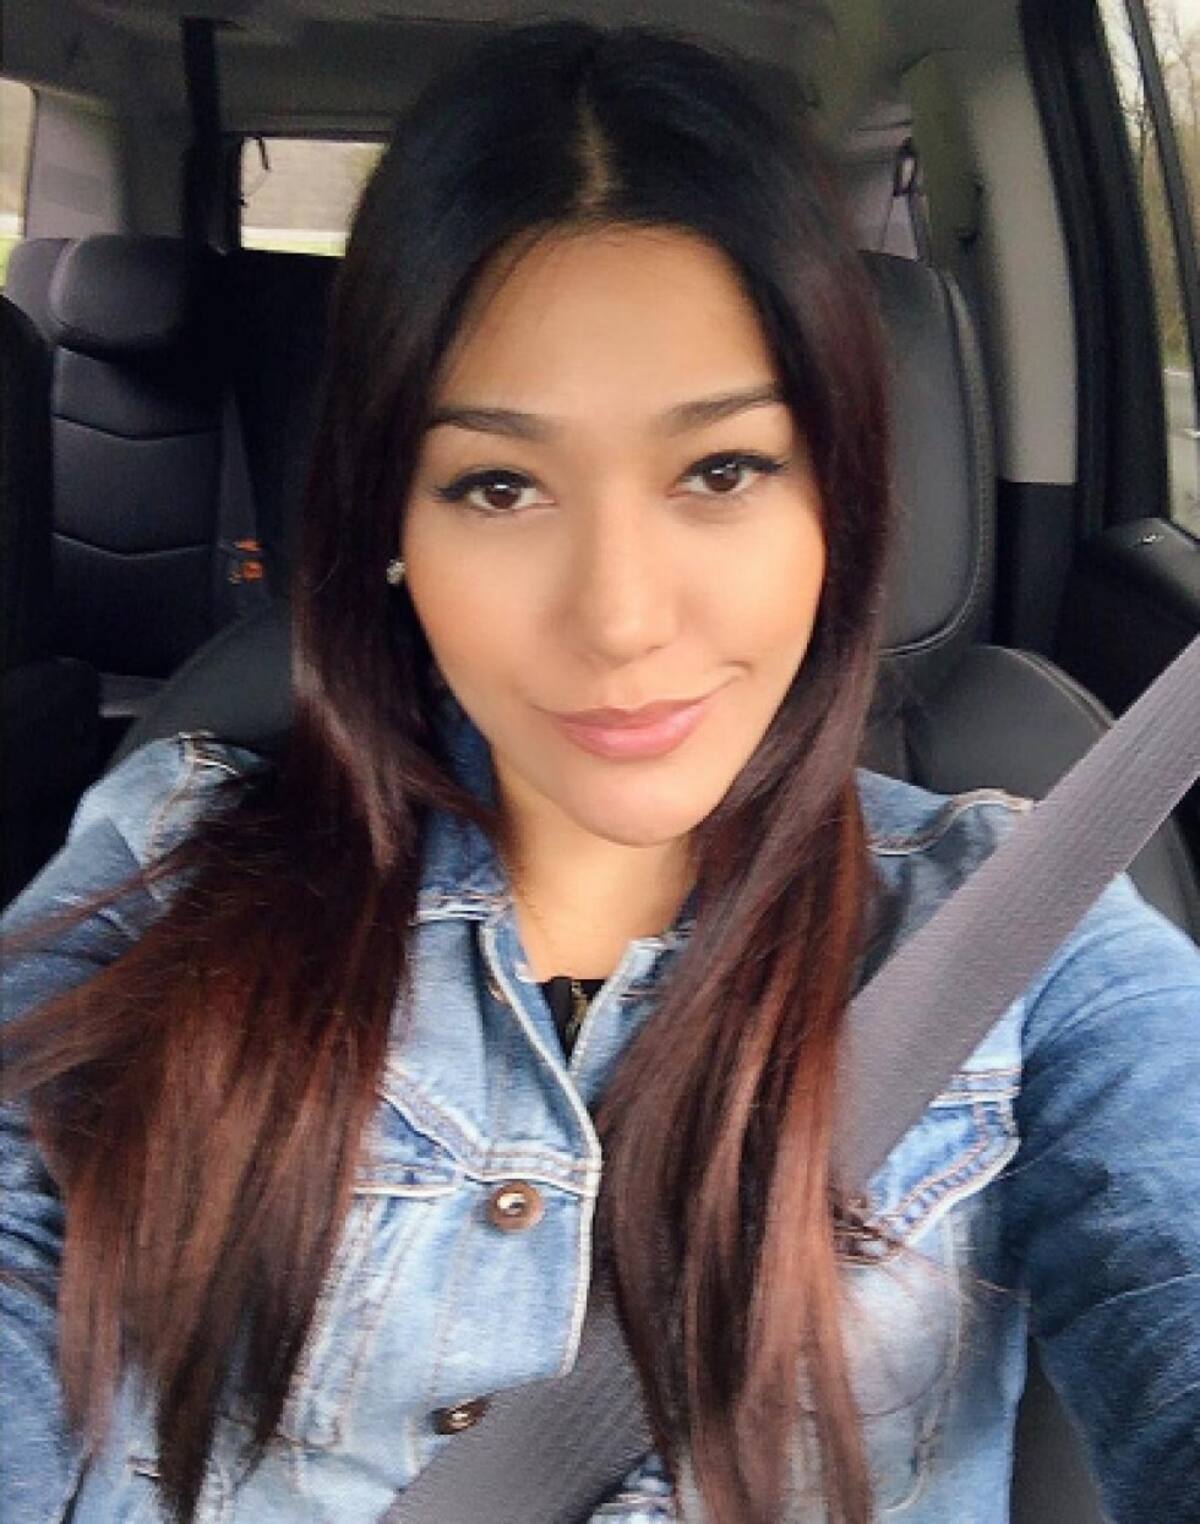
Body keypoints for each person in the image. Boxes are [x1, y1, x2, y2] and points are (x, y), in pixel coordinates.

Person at [2, 21, 1199, 1524]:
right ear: (392, 525)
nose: (621, 620)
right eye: (500, 485)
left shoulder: (1027, 940)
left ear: (837, 499)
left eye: (721, 470)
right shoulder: (170, 866)